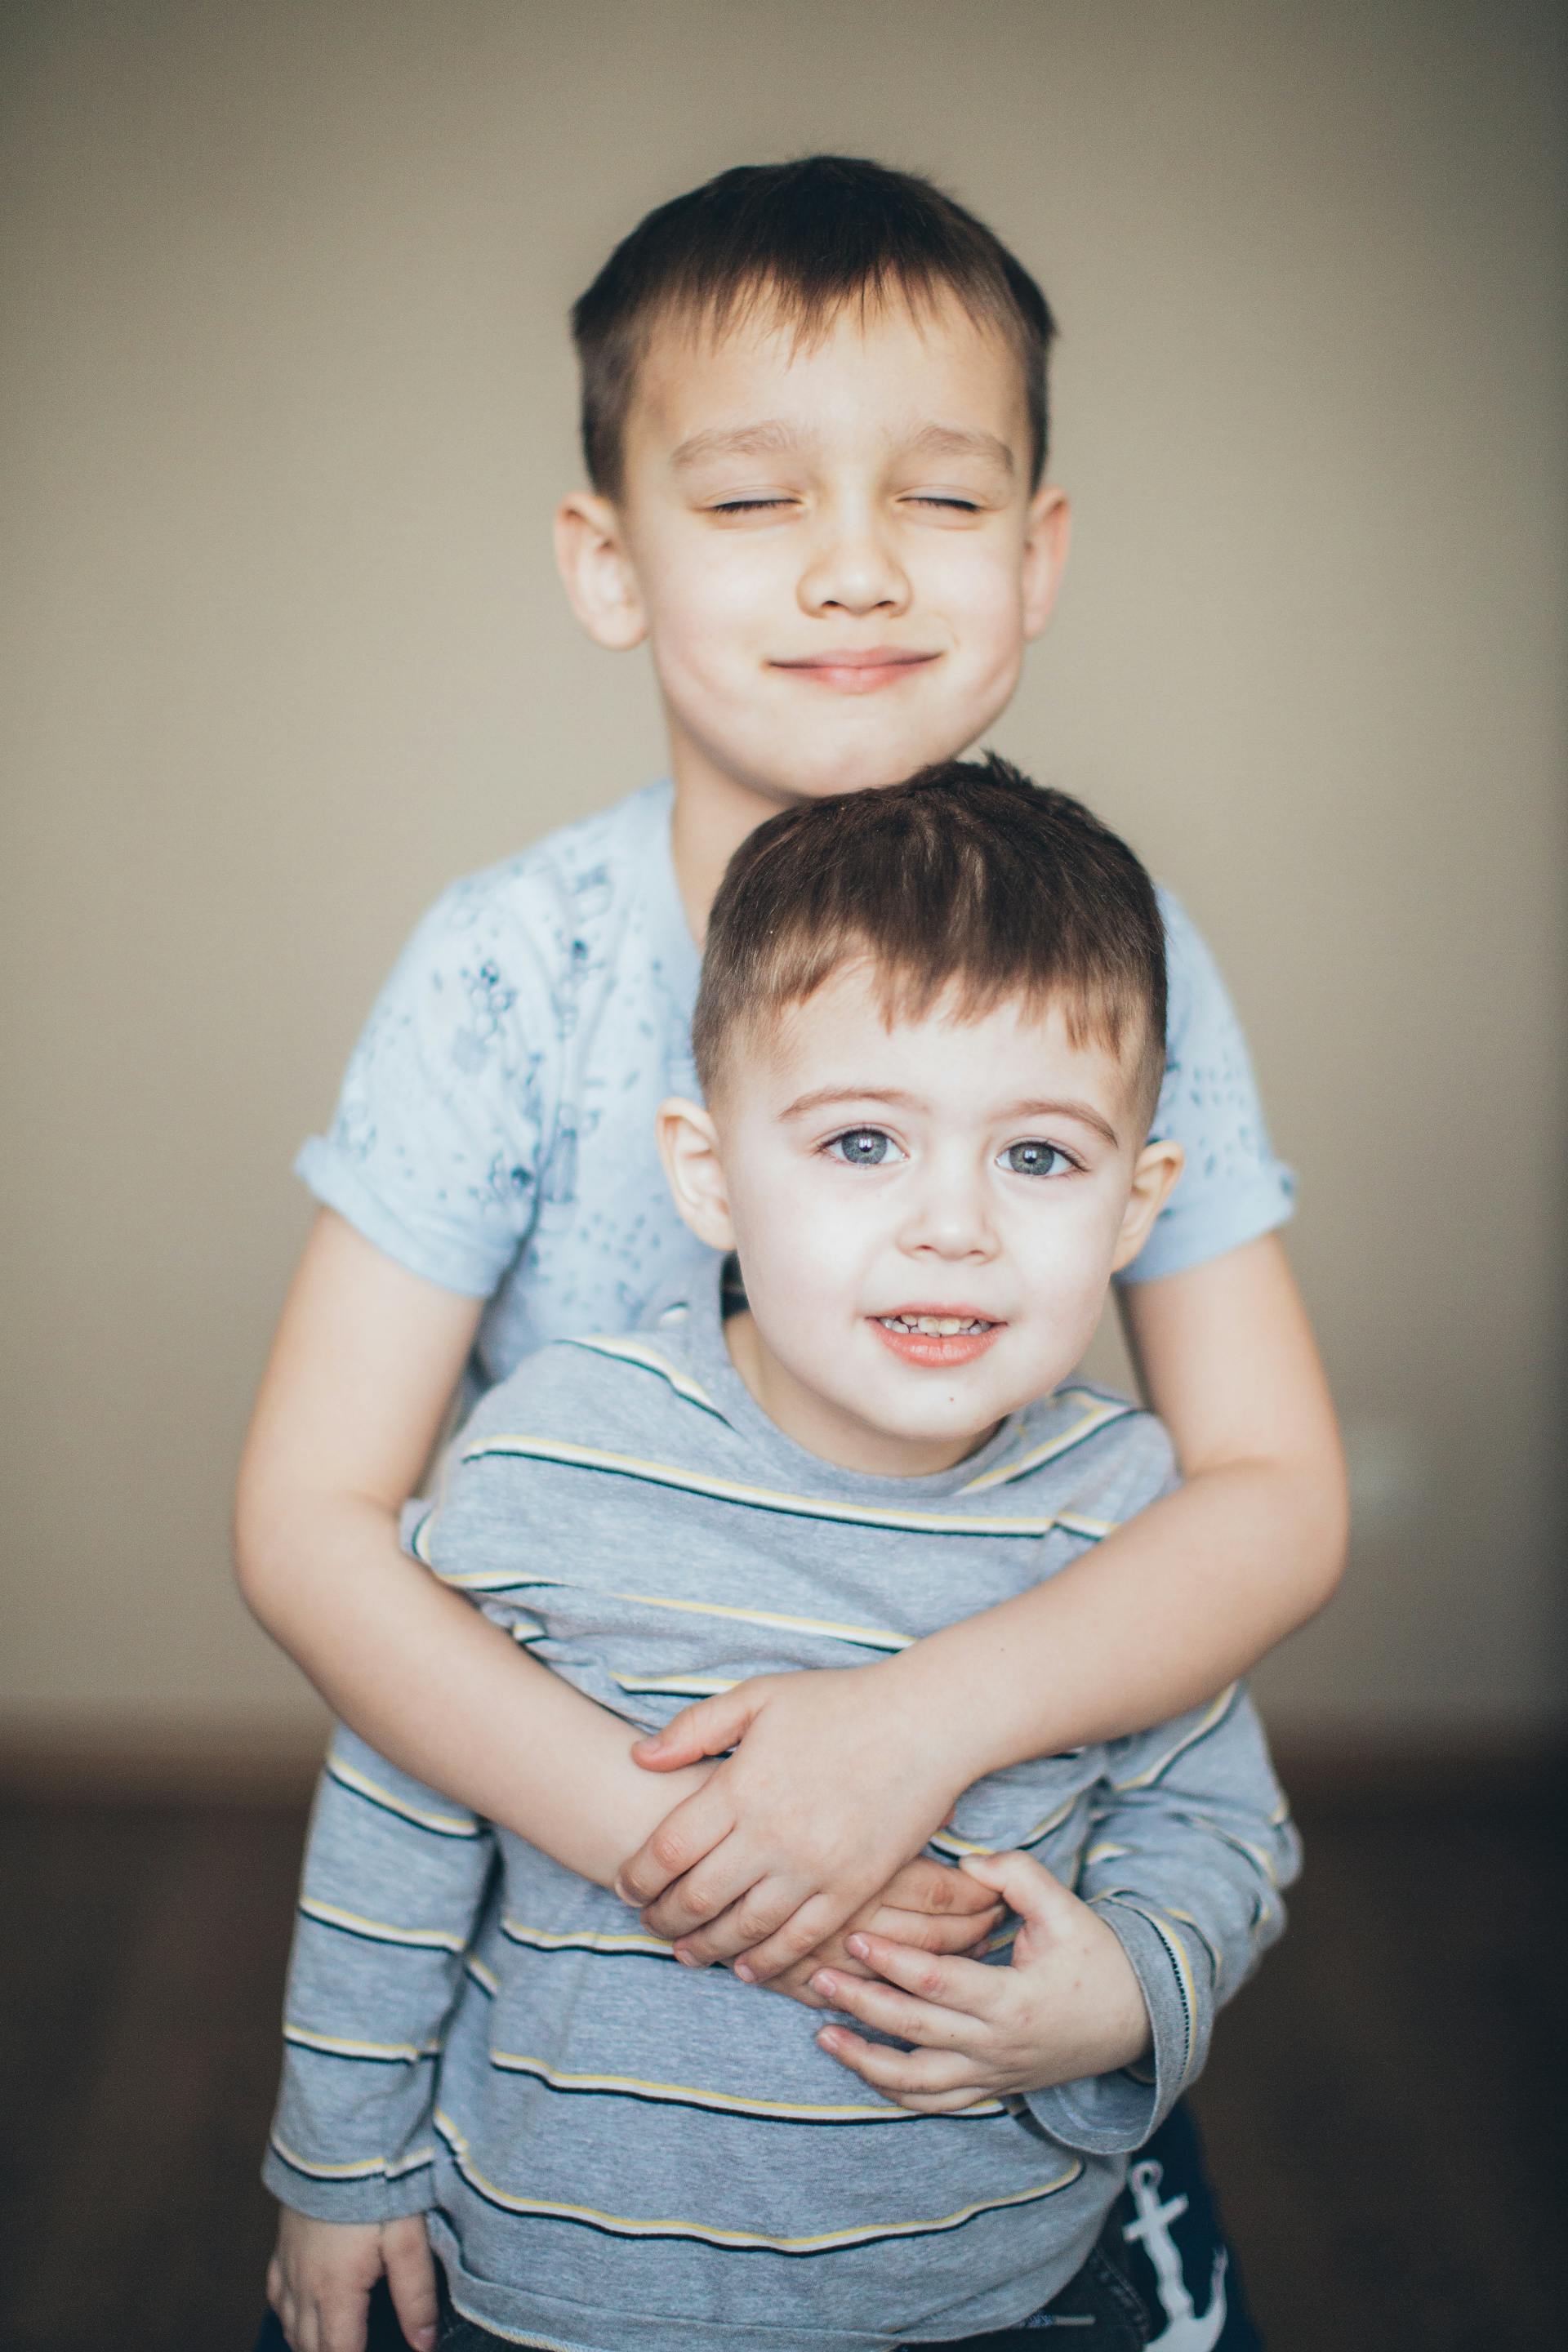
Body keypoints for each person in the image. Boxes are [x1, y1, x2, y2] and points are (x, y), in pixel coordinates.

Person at [237, 157, 1345, 2346]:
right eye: (750, 501)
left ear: (1037, 559)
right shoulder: (513, 969)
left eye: (938, 499)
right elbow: (312, 1519)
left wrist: (906, 1736)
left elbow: (1274, 1492)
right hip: (584, 1999)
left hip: (965, 1973)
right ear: (608, 560)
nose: (851, 565)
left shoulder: (1134, 966)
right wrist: (680, 1840)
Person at [261, 762, 1300, 2352]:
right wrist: (342, 2162)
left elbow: (1214, 1825)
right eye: (863, 1144)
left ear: (1135, 1202)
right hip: (558, 2290)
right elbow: (400, 1816)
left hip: (991, 2291)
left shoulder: (1127, 1512)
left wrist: (1128, 1993)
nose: (952, 1224)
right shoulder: (554, 1456)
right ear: (707, 1173)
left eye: (1038, 1158)